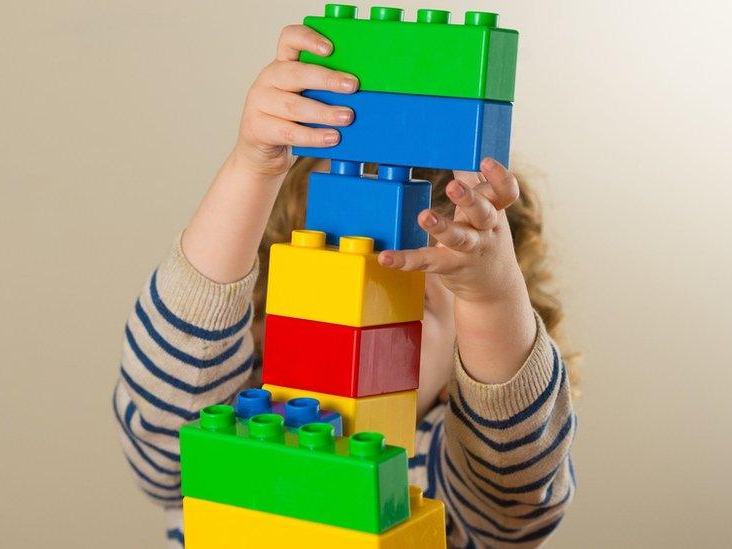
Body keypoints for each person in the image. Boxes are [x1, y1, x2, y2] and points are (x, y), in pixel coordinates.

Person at [113, 24, 578, 548]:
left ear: (460, 361)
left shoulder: (442, 468)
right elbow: (160, 431)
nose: (353, 319)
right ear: (266, 317)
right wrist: (252, 168)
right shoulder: (239, 421)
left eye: (406, 300)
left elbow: (515, 502)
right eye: (317, 287)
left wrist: (492, 299)